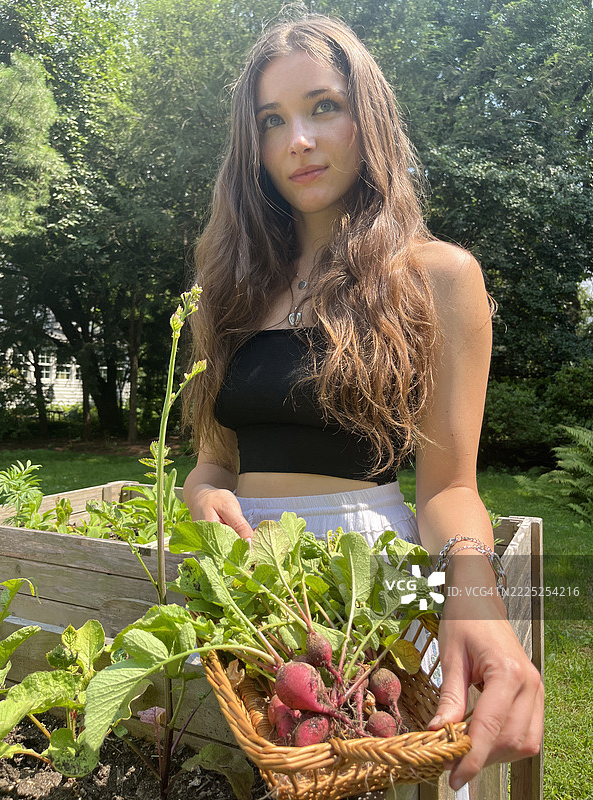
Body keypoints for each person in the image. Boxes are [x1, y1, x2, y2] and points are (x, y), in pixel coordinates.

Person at [182, 13, 543, 795]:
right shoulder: (229, 289)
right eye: (271, 121)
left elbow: (449, 488)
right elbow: (215, 461)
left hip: (372, 580)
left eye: (324, 107)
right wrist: (204, 495)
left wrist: (473, 596)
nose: (298, 140)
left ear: (367, 117)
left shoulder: (437, 276)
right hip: (247, 589)